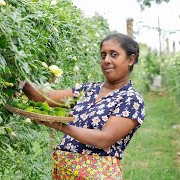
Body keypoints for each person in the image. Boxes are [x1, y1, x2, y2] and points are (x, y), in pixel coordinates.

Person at [21, 33, 145, 179]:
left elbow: (104, 139)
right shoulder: (88, 90)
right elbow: (44, 97)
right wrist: (19, 78)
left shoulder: (131, 100)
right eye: (103, 55)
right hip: (66, 173)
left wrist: (60, 125)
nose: (106, 60)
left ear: (131, 59)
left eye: (114, 55)